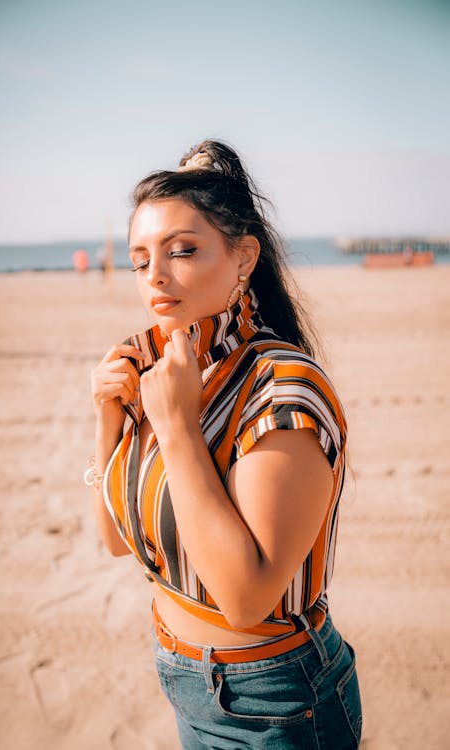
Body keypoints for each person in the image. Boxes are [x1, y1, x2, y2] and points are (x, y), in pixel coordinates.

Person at [88, 140, 362, 749]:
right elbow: (114, 539)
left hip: (275, 699)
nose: (155, 276)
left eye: (182, 251)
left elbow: (246, 598)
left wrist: (179, 429)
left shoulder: (283, 391)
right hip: (182, 674)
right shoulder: (157, 367)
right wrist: (108, 420)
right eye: (140, 260)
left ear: (243, 257)